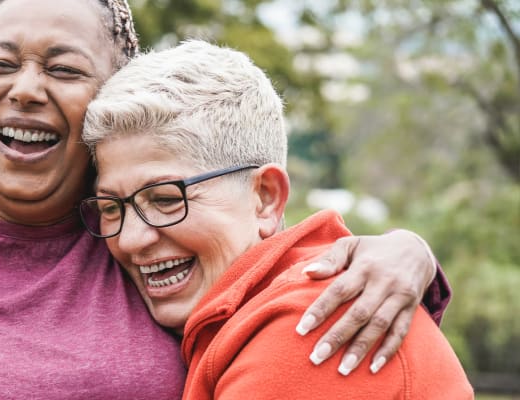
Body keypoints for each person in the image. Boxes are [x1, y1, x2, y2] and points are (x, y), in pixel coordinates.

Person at [0, 0, 449, 398]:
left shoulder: (144, 246)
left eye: (63, 69)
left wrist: (403, 253)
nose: (27, 89)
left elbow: (275, 245)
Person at [79, 39, 472, 398]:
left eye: (165, 199)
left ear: (266, 197)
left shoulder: (316, 323)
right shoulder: (238, 314)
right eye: (112, 208)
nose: (130, 239)